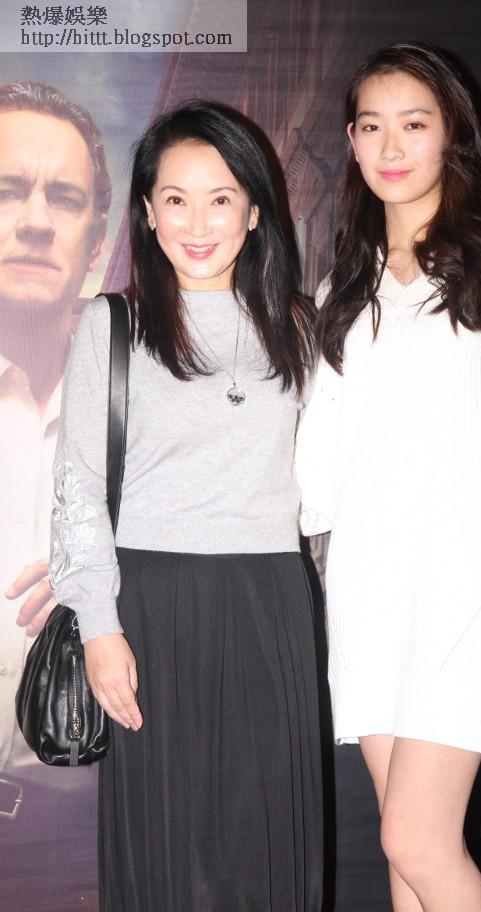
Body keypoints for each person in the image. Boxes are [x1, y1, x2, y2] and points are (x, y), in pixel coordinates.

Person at [295, 43, 481, 912]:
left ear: (452, 132)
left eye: (414, 124)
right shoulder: (342, 286)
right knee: (409, 856)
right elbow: (322, 461)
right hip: (368, 583)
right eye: (371, 126)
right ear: (351, 140)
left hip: (474, 577)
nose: (391, 146)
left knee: (414, 838)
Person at [48, 100, 323, 911]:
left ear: (255, 211)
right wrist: (100, 627)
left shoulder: (301, 328)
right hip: (151, 607)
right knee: (165, 846)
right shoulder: (113, 324)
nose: (197, 224)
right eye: (175, 199)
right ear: (146, 210)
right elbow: (77, 486)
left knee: (265, 842)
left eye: (220, 198)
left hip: (270, 599)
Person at [0, 80, 110, 908]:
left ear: (97, 239)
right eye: (8, 189)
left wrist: (119, 584)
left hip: (88, 840)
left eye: (64, 198)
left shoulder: (144, 408)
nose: (35, 219)